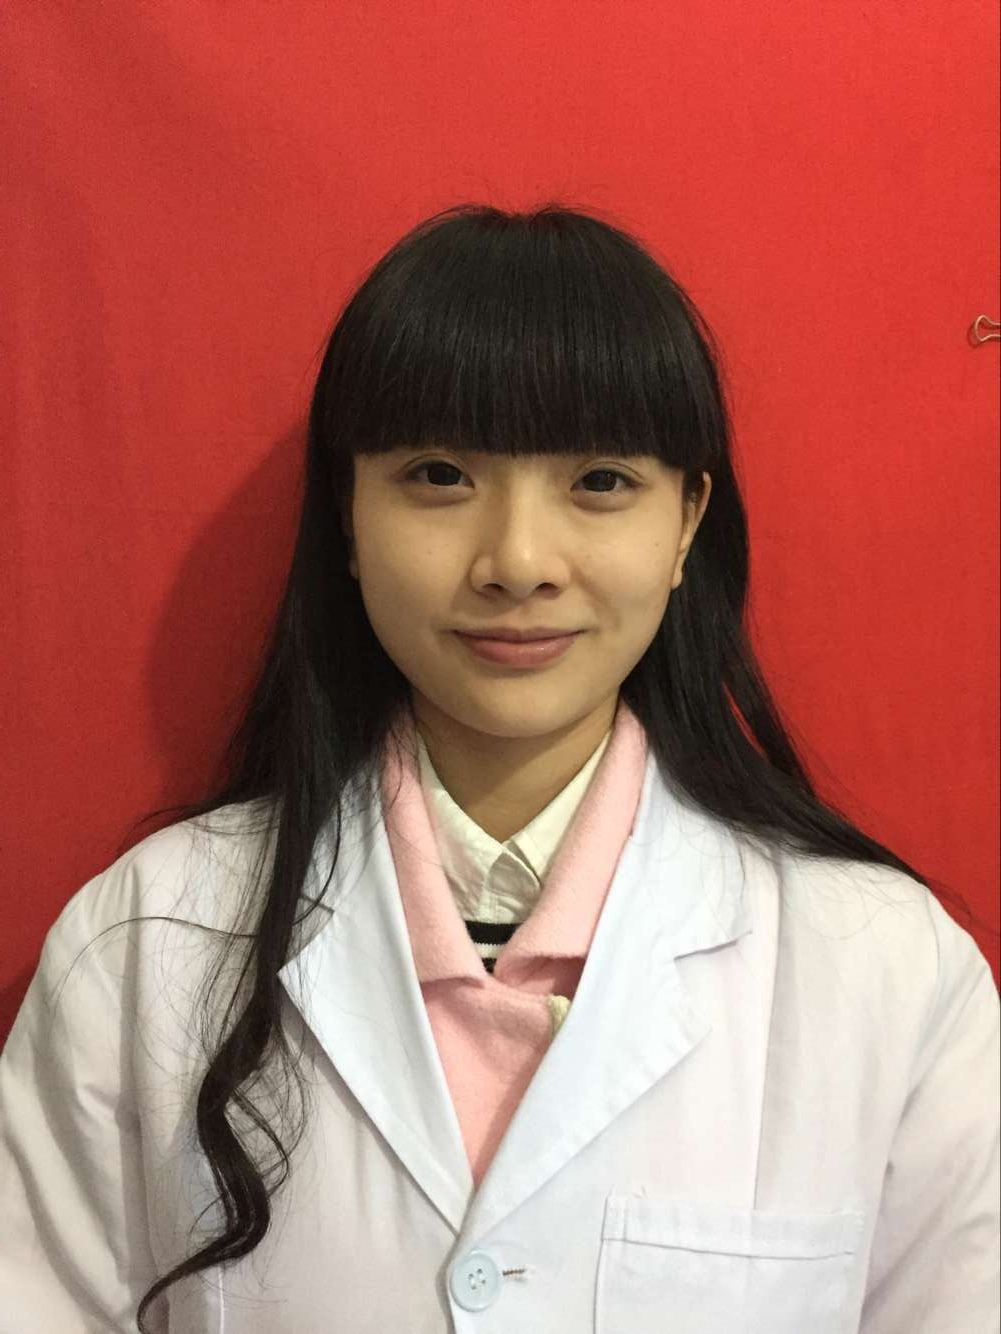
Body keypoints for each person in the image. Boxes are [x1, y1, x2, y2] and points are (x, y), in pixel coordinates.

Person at [0, 202, 997, 1334]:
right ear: (347, 516)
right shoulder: (148, 945)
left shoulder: (887, 971)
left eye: (600, 481)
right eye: (438, 474)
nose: (518, 562)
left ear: (686, 524)